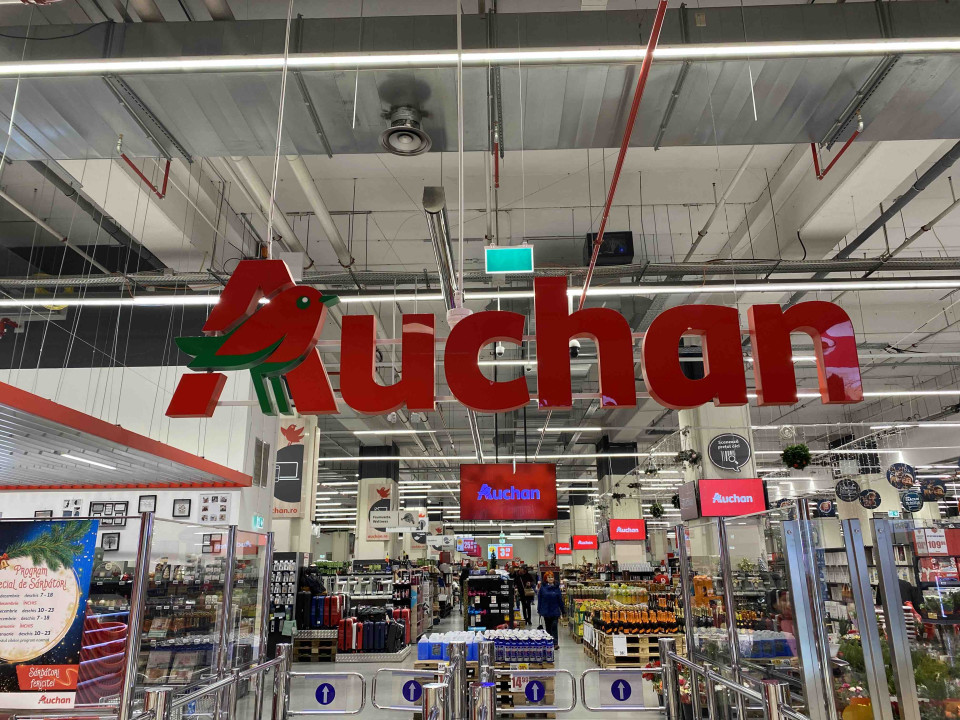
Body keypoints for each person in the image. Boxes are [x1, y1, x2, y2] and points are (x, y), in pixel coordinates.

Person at [537, 571, 564, 649]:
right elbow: (540, 599)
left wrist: (563, 610)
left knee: (554, 626)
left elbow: (560, 600)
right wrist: (539, 610)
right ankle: (549, 642)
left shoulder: (557, 588)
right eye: (549, 577)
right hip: (546, 610)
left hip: (555, 611)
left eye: (552, 577)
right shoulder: (543, 588)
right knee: (548, 627)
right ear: (546, 579)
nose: (551, 578)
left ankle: (555, 643)